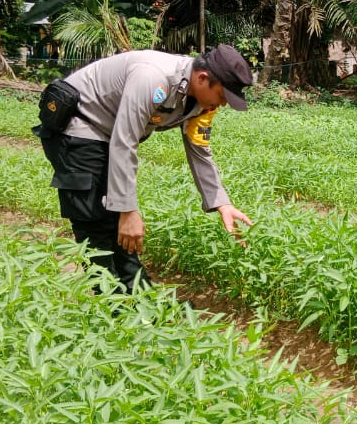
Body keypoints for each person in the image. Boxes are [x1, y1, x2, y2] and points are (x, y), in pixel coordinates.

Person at [33, 45, 255, 293]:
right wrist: (128, 210)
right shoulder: (153, 77)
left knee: (118, 221)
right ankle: (110, 304)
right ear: (203, 79)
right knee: (95, 219)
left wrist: (221, 202)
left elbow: (199, 148)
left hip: (109, 133)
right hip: (79, 125)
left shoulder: (204, 102)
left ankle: (139, 296)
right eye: (223, 96)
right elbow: (124, 140)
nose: (222, 104)